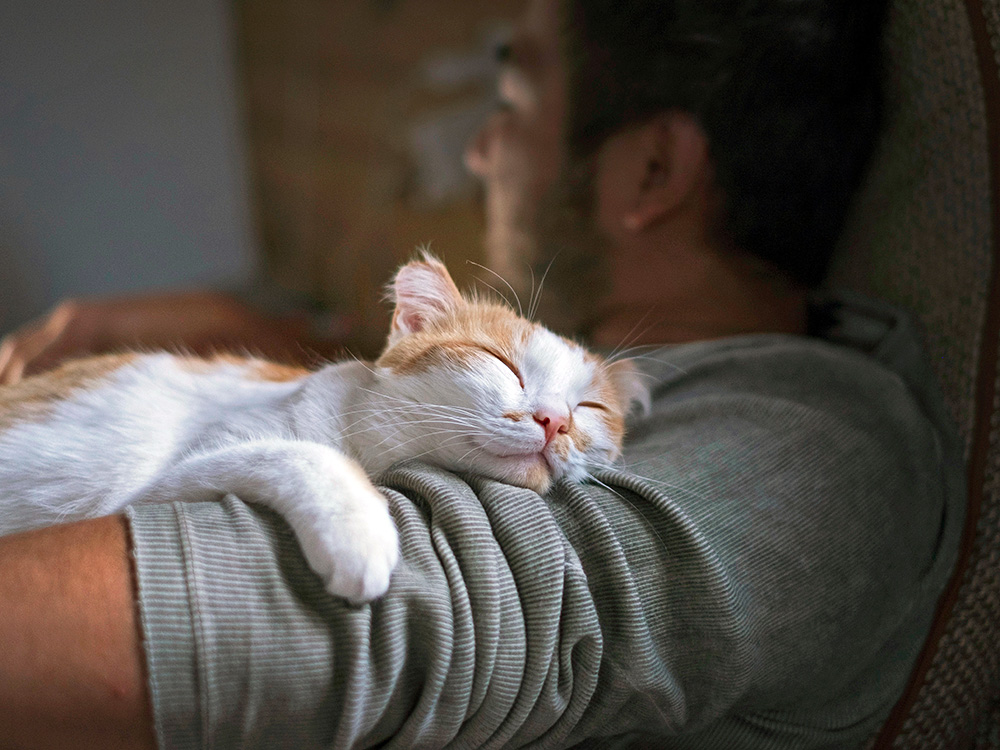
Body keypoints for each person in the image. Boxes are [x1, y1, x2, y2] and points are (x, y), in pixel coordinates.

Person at [0, 0, 965, 748]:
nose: (478, 148)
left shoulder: (812, 451)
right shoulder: (676, 385)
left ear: (653, 172)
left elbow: (387, 621)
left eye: (512, 104)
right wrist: (258, 334)